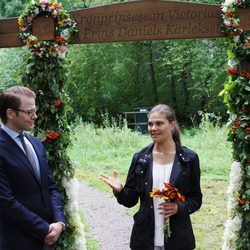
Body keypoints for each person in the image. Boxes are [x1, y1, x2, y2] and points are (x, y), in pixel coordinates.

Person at [100, 104, 202, 250]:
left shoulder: (189, 159)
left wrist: (178, 207)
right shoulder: (140, 158)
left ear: (172, 125)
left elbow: (196, 198)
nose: (153, 128)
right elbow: (130, 200)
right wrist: (120, 191)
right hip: (144, 239)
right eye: (150, 124)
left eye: (159, 123)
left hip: (178, 240)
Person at [0, 86, 66, 250]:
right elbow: (5, 202)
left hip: (48, 240)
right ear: (10, 113)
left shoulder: (36, 144)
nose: (35, 116)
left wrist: (59, 222)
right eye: (29, 112)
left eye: (34, 111)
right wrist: (44, 229)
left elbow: (50, 187)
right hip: (17, 241)